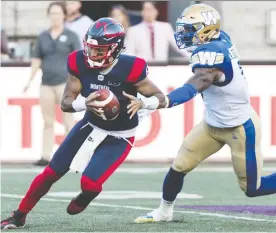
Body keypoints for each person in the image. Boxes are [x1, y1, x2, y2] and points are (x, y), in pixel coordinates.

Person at [0, 17, 167, 230]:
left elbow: (160, 97)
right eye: (90, 48)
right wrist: (84, 103)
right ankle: (19, 215)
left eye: (100, 50)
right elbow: (66, 103)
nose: (92, 54)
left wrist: (143, 102)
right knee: (52, 171)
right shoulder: (78, 62)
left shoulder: (131, 67)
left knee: (90, 184)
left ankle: (87, 195)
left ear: (115, 49)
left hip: (121, 134)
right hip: (91, 125)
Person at [129, 3, 276, 223]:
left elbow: (195, 85)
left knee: (252, 189)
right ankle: (164, 211)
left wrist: (162, 101)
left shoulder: (212, 54)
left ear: (206, 29)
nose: (184, 34)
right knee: (179, 166)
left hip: (240, 127)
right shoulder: (219, 38)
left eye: (190, 29)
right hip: (212, 124)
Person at [23, 2, 81, 166]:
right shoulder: (43, 36)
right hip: (46, 83)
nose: (55, 17)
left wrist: (78, 80)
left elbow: (78, 59)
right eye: (52, 13)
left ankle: (72, 156)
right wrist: (30, 79)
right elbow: (36, 59)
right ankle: (46, 155)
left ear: (64, 15)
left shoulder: (71, 35)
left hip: (65, 83)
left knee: (68, 120)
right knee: (47, 121)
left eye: (58, 13)